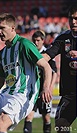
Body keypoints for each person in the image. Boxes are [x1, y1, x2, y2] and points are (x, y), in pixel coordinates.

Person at [42, 4, 77, 133]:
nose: (73, 21)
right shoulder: (63, 38)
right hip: (69, 93)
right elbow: (48, 55)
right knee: (61, 125)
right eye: (71, 18)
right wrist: (32, 59)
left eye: (76, 18)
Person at [23, 30, 57, 133]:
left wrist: (50, 87)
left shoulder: (48, 54)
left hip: (44, 91)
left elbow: (54, 72)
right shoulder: (30, 53)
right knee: (28, 116)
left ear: (43, 40)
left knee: (46, 117)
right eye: (34, 40)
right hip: (32, 91)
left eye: (38, 40)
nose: (36, 43)